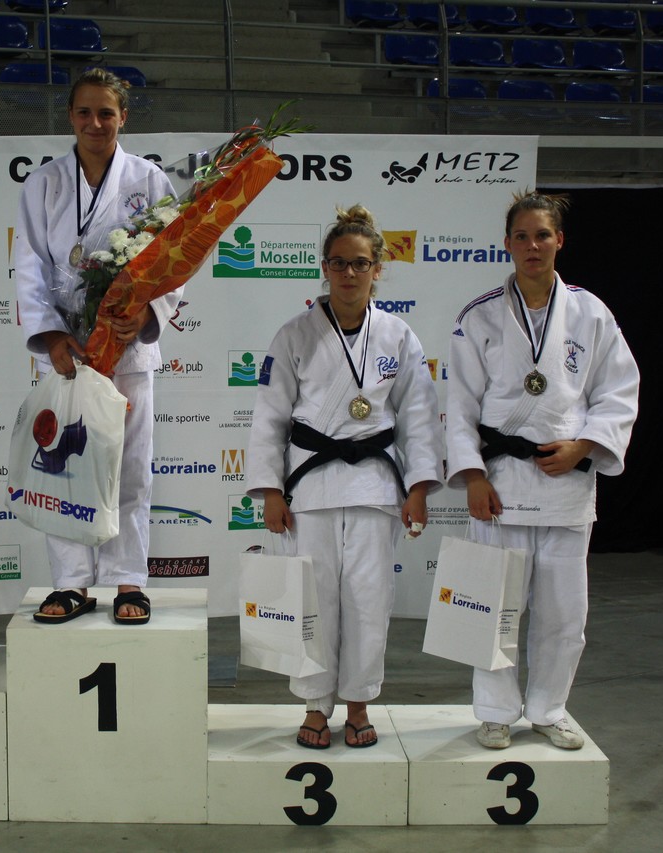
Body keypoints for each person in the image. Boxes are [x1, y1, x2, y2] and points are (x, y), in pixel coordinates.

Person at [446, 191, 639, 750]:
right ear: (507, 244)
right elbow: (459, 405)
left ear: (560, 241)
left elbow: (618, 391)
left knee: (562, 614)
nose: (533, 245)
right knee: (491, 607)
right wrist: (473, 475)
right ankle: (495, 711)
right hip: (500, 483)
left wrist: (585, 446)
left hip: (565, 483)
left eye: (543, 235)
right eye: (522, 236)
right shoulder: (478, 316)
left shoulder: (591, 312)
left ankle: (550, 708)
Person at [247, 206, 441, 749]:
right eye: (338, 263)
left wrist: (419, 488)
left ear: (378, 268)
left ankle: (357, 705)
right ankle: (315, 705)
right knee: (312, 599)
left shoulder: (398, 335)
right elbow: (270, 417)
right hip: (310, 486)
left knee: (368, 599)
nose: (349, 273)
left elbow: (419, 416)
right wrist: (270, 490)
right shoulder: (295, 334)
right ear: (324, 268)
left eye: (360, 263)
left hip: (375, 486)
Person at [14, 68, 178, 625]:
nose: (95, 122)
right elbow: (29, 265)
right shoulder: (44, 183)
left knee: (129, 467)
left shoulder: (149, 179)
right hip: (67, 352)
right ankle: (71, 582)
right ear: (70, 116)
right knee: (61, 464)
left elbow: (175, 260)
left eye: (106, 112)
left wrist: (147, 312)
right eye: (84, 112)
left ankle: (129, 578)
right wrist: (51, 336)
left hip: (127, 349)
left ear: (123, 117)